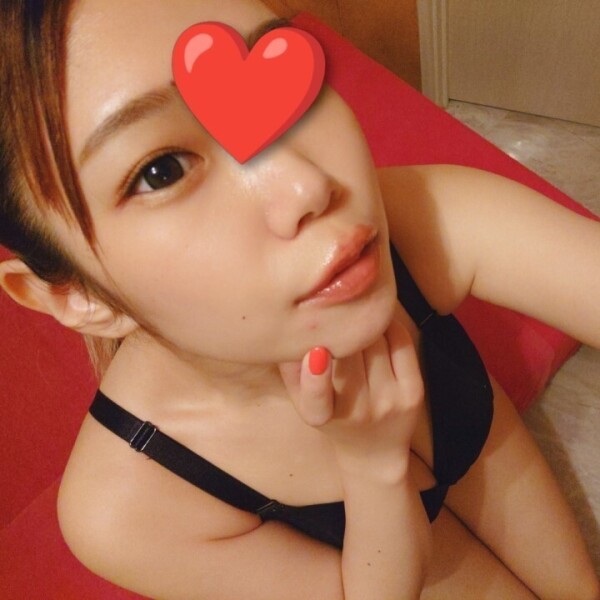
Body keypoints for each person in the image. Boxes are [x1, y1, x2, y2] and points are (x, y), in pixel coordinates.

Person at [0, 1, 599, 598]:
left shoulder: (418, 219)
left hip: (483, 451)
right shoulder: (130, 505)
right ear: (75, 294)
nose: (309, 185)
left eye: (281, 72)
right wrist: (373, 467)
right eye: (163, 171)